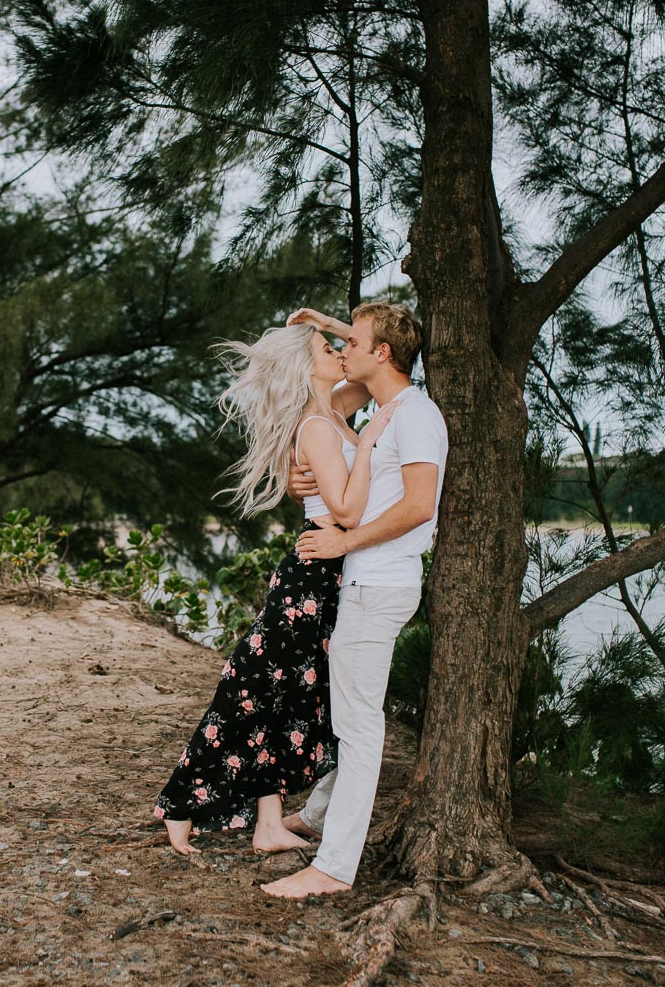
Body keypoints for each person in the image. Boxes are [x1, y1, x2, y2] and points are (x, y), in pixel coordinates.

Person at [154, 321, 397, 855]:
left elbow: (383, 365)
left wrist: (329, 325)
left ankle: (267, 824)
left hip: (329, 575)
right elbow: (347, 511)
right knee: (250, 691)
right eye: (328, 348)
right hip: (312, 576)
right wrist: (370, 443)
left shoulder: (334, 407)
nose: (339, 352)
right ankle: (180, 804)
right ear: (305, 367)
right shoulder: (318, 425)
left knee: (285, 700)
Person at [260, 301, 447, 898]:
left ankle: (333, 867)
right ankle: (316, 817)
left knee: (359, 729)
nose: (342, 351)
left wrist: (343, 542)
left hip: (377, 583)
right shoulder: (385, 410)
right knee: (347, 714)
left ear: (382, 353)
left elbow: (418, 506)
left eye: (352, 342)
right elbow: (341, 394)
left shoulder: (414, 415)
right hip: (363, 582)